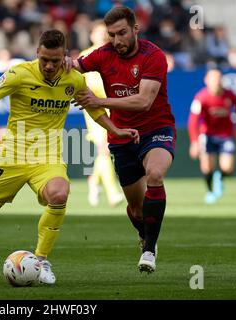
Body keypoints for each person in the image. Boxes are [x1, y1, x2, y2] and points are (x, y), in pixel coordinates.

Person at [0, 30, 139, 285]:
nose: (49, 66)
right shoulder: (19, 74)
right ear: (37, 53)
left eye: (55, 60)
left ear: (65, 57)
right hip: (12, 155)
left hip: (48, 157)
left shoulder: (74, 79)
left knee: (59, 193)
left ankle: (41, 259)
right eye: (44, 59)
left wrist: (116, 130)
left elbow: (93, 108)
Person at [66, 6, 176, 274]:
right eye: (112, 35)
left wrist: (99, 101)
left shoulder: (154, 56)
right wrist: (62, 63)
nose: (117, 41)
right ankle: (144, 233)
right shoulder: (103, 54)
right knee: (137, 210)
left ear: (136, 29)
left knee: (155, 174)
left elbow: (144, 101)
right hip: (121, 136)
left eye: (122, 33)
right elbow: (75, 67)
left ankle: (149, 249)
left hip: (156, 130)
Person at [79, 20, 125, 207]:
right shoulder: (85, 56)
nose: (102, 35)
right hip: (95, 107)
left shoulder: (115, 53)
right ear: (91, 35)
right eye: (98, 32)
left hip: (113, 105)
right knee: (105, 149)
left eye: (104, 32)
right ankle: (113, 193)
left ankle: (94, 181)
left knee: (107, 150)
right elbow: (80, 83)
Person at [188, 68, 236, 204]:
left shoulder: (231, 95)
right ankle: (210, 191)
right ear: (206, 81)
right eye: (213, 79)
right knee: (207, 167)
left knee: (227, 167)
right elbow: (193, 121)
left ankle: (220, 178)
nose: (216, 82)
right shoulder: (201, 97)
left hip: (226, 135)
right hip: (207, 135)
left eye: (218, 78)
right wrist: (194, 141)